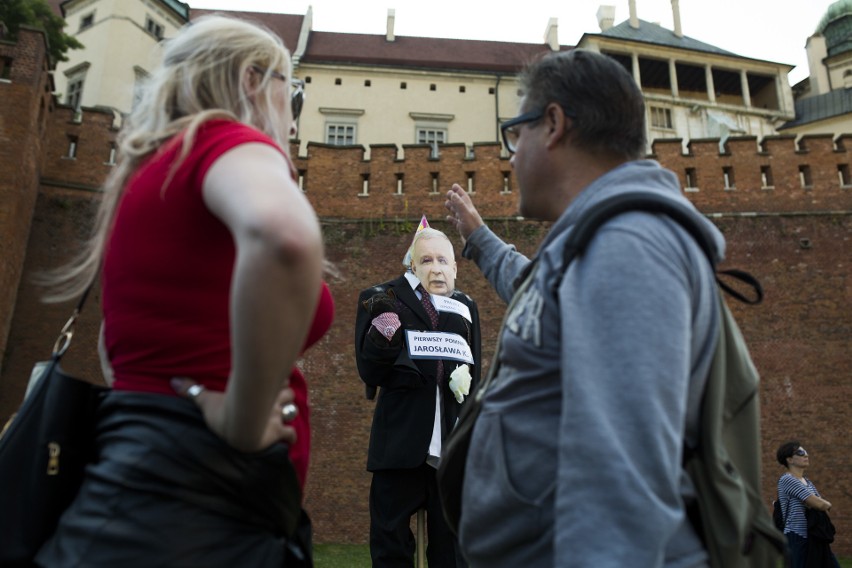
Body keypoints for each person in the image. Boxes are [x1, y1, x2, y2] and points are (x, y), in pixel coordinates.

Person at [35, 14, 333, 566]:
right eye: (290, 94)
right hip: (200, 509)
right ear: (249, 80)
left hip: (137, 484)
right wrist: (239, 420)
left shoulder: (148, 175)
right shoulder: (224, 140)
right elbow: (284, 236)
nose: (292, 119)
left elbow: (111, 350)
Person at [442, 48, 723, 567]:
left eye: (514, 133)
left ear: (552, 124)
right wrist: (479, 240)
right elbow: (539, 297)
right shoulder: (597, 242)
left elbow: (621, 474)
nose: (511, 154)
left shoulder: (628, 245)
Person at [354, 219, 481, 568]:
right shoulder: (381, 298)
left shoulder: (466, 308)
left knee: (452, 553)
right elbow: (370, 371)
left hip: (451, 453)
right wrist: (385, 329)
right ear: (412, 265)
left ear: (455, 267)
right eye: (426, 260)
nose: (436, 268)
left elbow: (476, 377)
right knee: (390, 545)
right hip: (400, 446)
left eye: (443, 260)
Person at [776, 441, 840, 568]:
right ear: (789, 459)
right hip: (796, 536)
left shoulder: (808, 482)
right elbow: (820, 504)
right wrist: (824, 503)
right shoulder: (787, 479)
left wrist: (821, 504)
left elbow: (821, 507)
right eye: (801, 453)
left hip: (814, 536)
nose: (806, 455)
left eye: (806, 452)